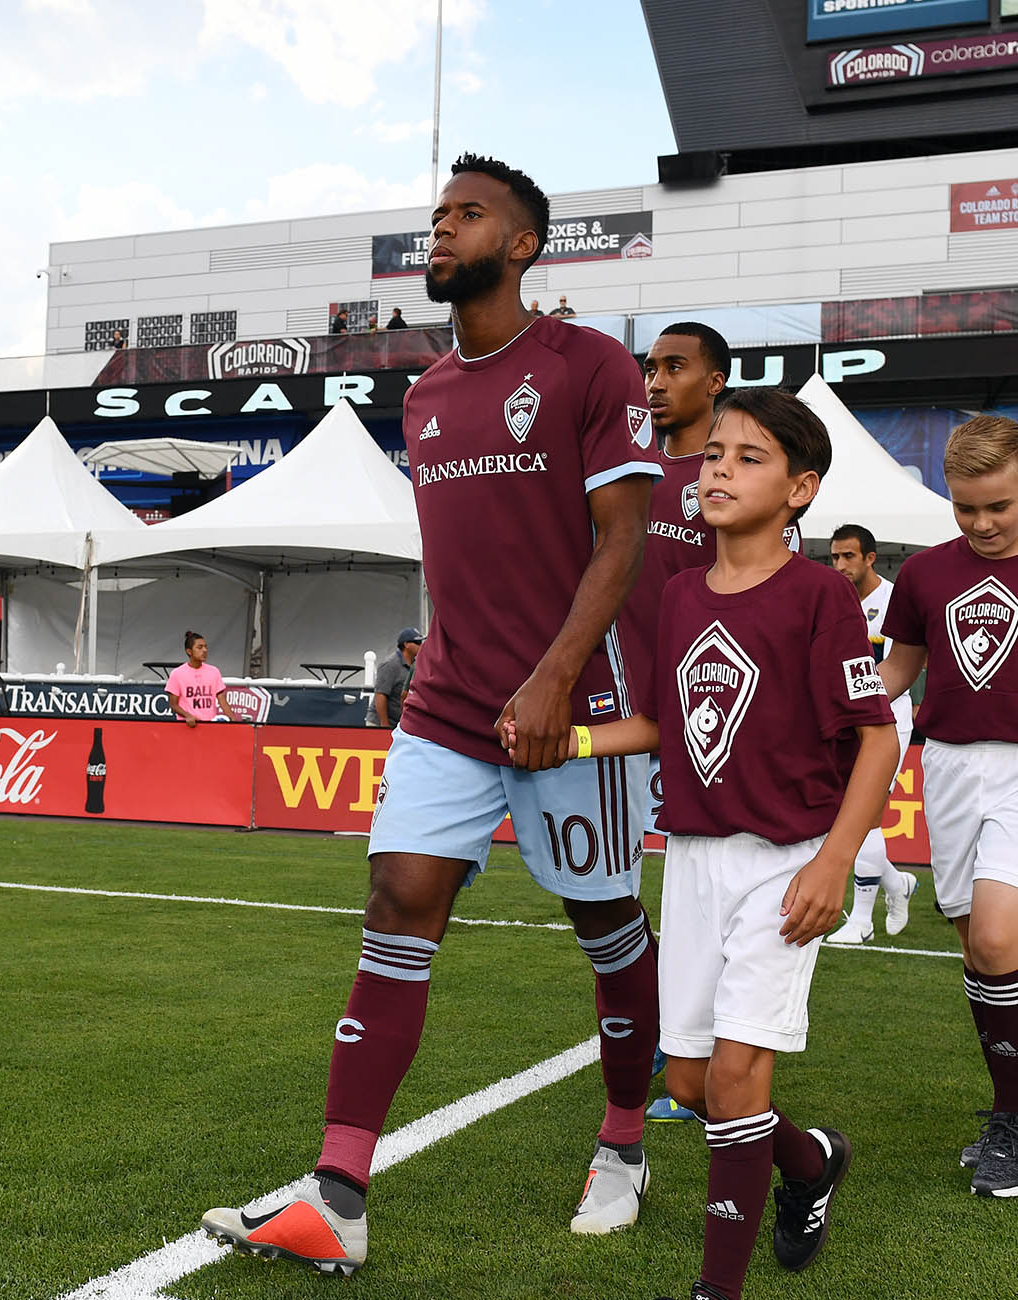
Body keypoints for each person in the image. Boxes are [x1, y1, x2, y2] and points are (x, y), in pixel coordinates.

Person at [202, 152, 663, 1275]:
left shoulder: (590, 367)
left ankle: (623, 1139)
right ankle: (338, 1192)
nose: (439, 232)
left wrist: (555, 677)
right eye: (435, 216)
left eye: (466, 215)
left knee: (603, 929)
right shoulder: (422, 395)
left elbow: (623, 541)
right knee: (398, 901)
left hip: (576, 707)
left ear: (521, 244)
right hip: (451, 704)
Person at [513, 387, 899, 1300]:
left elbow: (877, 736)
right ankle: (808, 1165)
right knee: (689, 1082)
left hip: (784, 863)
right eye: (715, 452)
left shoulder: (819, 596)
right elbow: (660, 720)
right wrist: (567, 740)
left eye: (749, 457)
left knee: (734, 1074)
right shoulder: (681, 593)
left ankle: (714, 1289)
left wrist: (834, 862)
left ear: (801, 490)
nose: (720, 468)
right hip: (688, 860)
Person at [624, 322, 798, 1123]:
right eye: (650, 368)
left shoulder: (733, 484)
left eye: (674, 367)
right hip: (625, 710)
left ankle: (709, 1052)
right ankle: (679, 1036)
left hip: (706, 713)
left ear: (717, 380)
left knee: (720, 872)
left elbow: (764, 594)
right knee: (634, 889)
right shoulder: (632, 473)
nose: (656, 381)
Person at [879, 414, 1018, 1199]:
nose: (982, 522)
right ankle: (1007, 1112)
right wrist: (835, 701)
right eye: (966, 507)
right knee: (978, 952)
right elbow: (899, 673)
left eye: (998, 505)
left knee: (998, 942)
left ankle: (1016, 1125)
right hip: (950, 771)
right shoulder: (928, 575)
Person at [826, 523, 919, 944]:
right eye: (834, 557)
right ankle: (898, 884)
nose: (840, 565)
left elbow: (911, 662)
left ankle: (861, 920)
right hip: (846, 722)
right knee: (851, 814)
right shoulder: (829, 599)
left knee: (865, 815)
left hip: (889, 722)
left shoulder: (895, 598)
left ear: (869, 558)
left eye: (848, 556)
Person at [166, 631, 248, 726]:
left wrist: (233, 720)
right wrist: (187, 715)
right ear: (189, 651)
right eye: (200, 647)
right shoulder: (177, 673)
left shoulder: (214, 671)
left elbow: (222, 699)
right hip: (186, 726)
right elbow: (173, 705)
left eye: (205, 647)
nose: (204, 650)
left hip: (209, 726)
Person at [364, 628, 423, 728]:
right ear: (406, 644)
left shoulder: (415, 664)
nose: (421, 645)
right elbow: (380, 695)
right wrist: (384, 724)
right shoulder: (390, 664)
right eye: (418, 642)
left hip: (397, 725)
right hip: (379, 724)